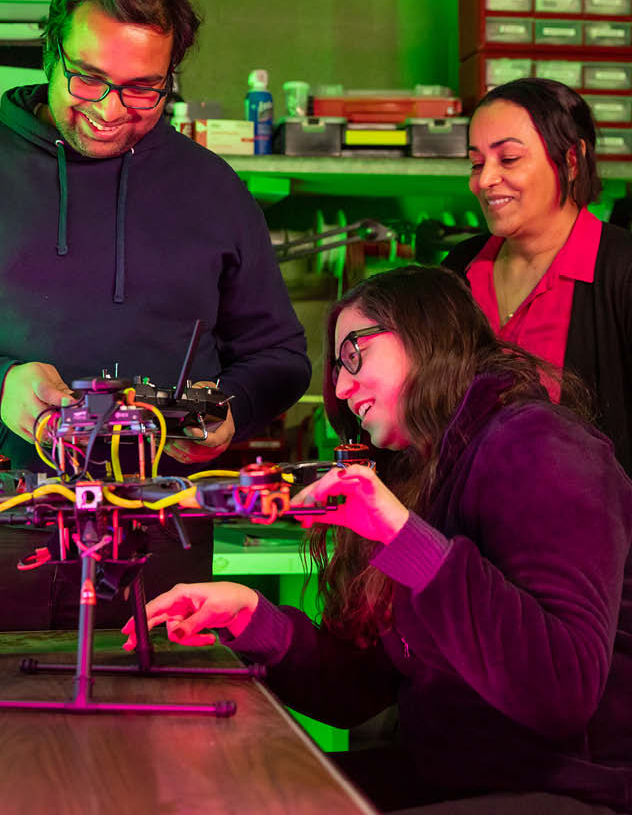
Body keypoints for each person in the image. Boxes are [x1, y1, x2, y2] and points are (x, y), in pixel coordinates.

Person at [0, 0, 310, 633]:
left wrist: (230, 411)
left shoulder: (214, 193)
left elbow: (280, 356)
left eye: (143, 89)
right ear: (49, 50)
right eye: (87, 78)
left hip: (154, 552)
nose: (109, 109)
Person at [123, 266, 632, 815]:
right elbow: (360, 691)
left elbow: (561, 690)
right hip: (444, 775)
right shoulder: (424, 472)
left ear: (425, 332)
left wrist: (401, 535)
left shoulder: (542, 445)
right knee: (221, 791)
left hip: (566, 790)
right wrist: (251, 616)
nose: (341, 388)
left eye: (353, 353)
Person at [443, 77, 632, 476]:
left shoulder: (621, 271)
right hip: (465, 532)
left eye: (507, 159)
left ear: (571, 160)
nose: (484, 180)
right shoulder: (460, 268)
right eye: (477, 163)